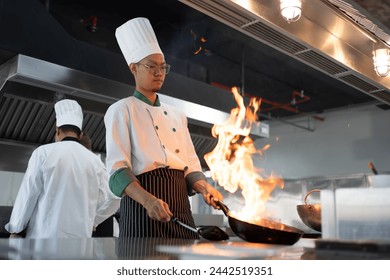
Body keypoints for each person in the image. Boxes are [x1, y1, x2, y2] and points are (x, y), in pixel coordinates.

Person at [104, 17, 224, 239]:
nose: (159, 73)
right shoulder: (121, 110)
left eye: (163, 67)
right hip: (143, 209)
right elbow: (117, 172)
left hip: (180, 207)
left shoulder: (178, 115)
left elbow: (190, 165)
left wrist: (204, 188)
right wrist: (149, 200)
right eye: (151, 66)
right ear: (133, 68)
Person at [5, 99, 120, 238]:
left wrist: (16, 228)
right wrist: (94, 221)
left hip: (42, 242)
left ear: (57, 131)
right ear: (81, 135)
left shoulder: (43, 153)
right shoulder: (95, 162)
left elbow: (29, 195)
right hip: (79, 246)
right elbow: (114, 196)